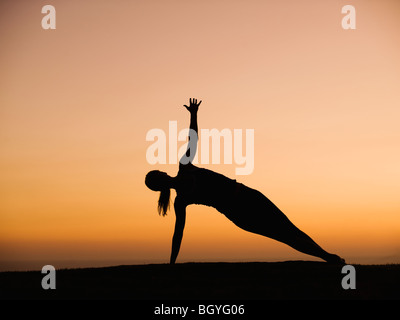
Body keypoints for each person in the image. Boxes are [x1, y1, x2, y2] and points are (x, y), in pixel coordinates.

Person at [145, 98, 345, 265]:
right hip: (239, 213)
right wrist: (171, 263)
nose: (160, 175)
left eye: (157, 173)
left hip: (247, 195)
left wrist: (193, 114)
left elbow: (194, 139)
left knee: (290, 229)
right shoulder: (181, 200)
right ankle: (328, 258)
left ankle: (327, 257)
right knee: (284, 235)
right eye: (156, 178)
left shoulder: (185, 166)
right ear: (159, 185)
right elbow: (178, 233)